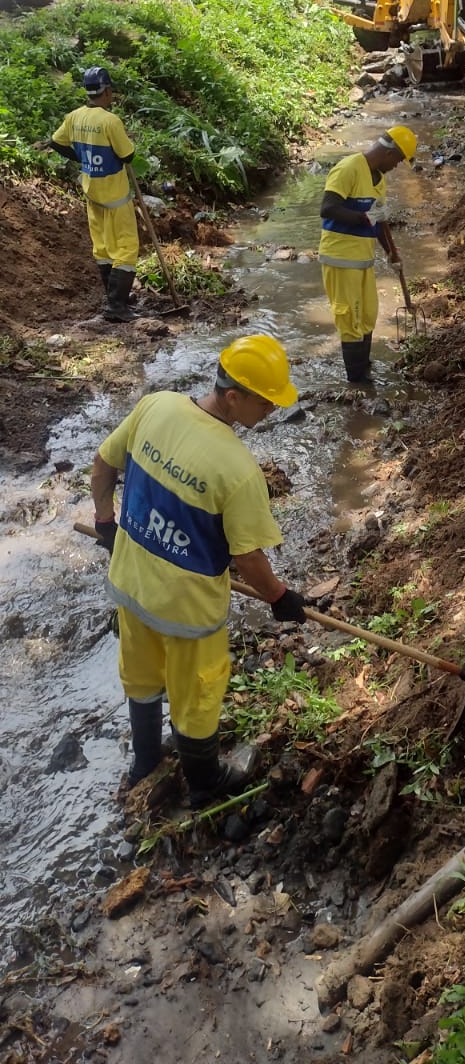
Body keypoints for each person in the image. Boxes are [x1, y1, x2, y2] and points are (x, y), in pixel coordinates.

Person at [90, 332, 308, 805]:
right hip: (186, 612)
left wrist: (105, 522)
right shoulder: (237, 469)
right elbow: (247, 557)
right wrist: (279, 598)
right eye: (266, 403)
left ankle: (144, 761)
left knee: (142, 675)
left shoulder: (156, 406)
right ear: (234, 397)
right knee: (198, 694)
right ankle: (205, 784)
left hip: (130, 582)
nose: (271, 412)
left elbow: (103, 465)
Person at [319, 125, 417, 382]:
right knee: (349, 318)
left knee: (367, 314)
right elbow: (328, 209)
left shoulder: (379, 179)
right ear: (389, 152)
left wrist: (391, 253)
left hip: (363, 260)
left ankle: (364, 368)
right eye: (397, 160)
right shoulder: (348, 168)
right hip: (340, 258)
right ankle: (357, 382)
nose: (396, 166)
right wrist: (362, 217)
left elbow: (380, 222)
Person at [48, 66, 140, 321]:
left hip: (92, 194)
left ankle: (114, 299)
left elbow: (56, 142)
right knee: (126, 247)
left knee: (102, 247)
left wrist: (81, 158)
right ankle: (116, 307)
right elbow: (128, 155)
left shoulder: (74, 117)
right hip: (116, 197)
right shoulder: (110, 121)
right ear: (107, 91)